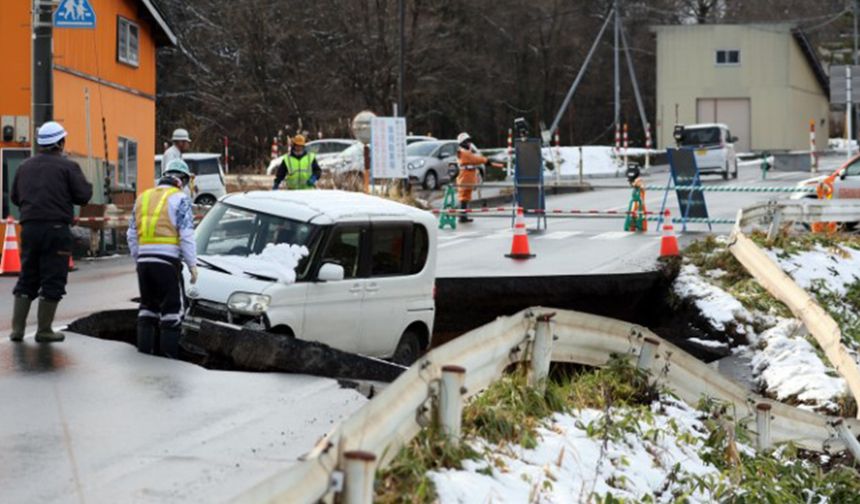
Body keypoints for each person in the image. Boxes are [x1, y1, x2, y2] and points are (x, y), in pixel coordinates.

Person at [8, 121, 92, 343]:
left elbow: (15, 197)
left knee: (28, 276)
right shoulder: (68, 167)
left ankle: (17, 330)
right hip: (56, 229)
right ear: (60, 143)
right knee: (53, 277)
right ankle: (44, 330)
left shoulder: (24, 167)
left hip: (29, 228)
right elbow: (83, 195)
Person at [127, 160, 198, 358]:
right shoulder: (180, 199)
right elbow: (186, 234)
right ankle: (168, 359)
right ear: (181, 180)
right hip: (167, 261)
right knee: (172, 310)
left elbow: (131, 235)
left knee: (148, 307)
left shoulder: (143, 197)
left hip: (144, 262)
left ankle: (145, 354)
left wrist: (139, 259)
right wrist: (192, 264)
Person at [455, 132, 488, 223]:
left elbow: (474, 159)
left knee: (466, 197)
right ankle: (462, 217)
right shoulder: (463, 152)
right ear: (463, 142)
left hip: (467, 176)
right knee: (463, 197)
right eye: (467, 141)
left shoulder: (464, 151)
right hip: (465, 176)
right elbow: (474, 159)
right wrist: (485, 160)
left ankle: (464, 216)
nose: (469, 143)